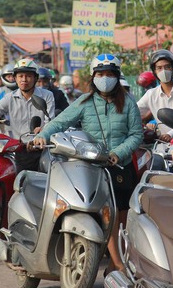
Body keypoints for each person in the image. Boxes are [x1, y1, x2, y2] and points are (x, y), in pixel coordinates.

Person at [33, 54, 143, 276]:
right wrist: (43, 135)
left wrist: (117, 153)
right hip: (91, 166)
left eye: (110, 74)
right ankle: (117, 262)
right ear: (93, 77)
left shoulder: (128, 101)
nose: (105, 78)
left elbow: (136, 134)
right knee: (107, 214)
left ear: (117, 76)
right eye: (100, 74)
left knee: (122, 218)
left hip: (120, 167)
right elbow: (61, 121)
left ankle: (116, 261)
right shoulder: (84, 102)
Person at [137, 49, 173, 142]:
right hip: (163, 144)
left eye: (167, 67)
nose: (163, 71)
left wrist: (170, 134)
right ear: (154, 71)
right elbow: (134, 111)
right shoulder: (151, 94)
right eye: (159, 68)